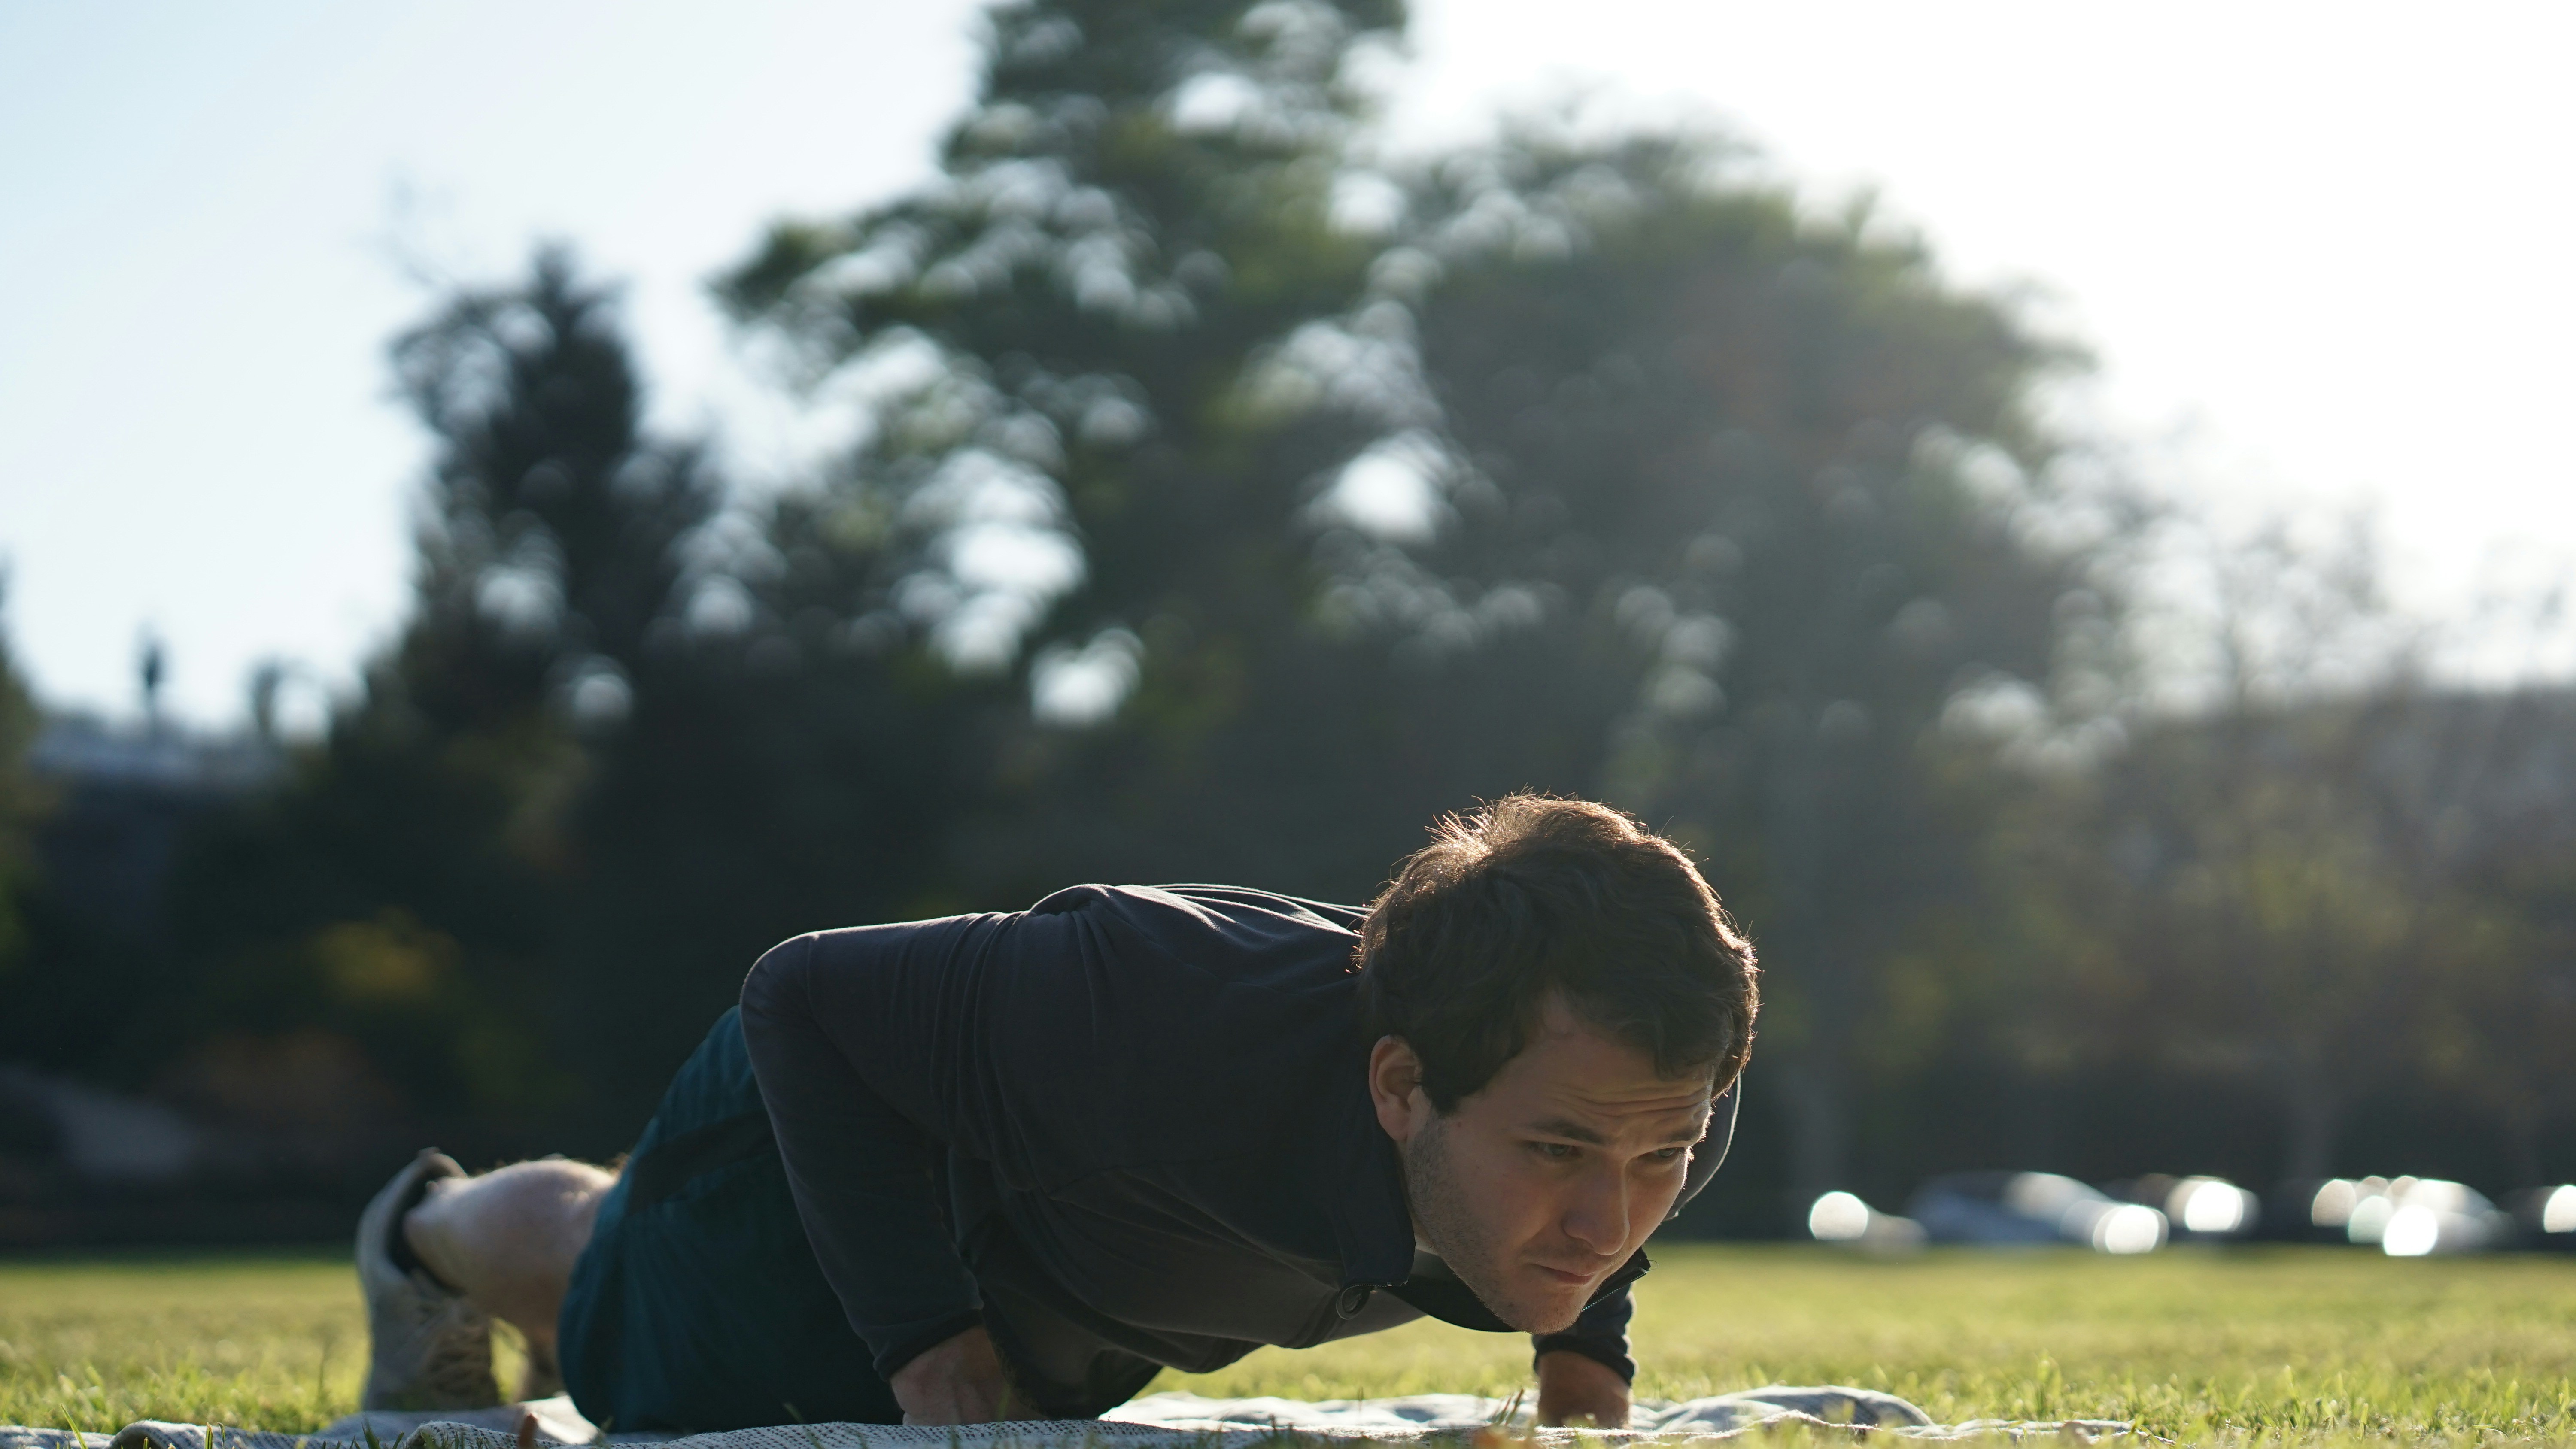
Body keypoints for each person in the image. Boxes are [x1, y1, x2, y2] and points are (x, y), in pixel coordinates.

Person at [356, 794, 1759, 1431]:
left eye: (1663, 1154)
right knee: (614, 1302)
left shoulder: (1645, 1078)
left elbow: (1610, 1173)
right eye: (1560, 1153)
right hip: (836, 1162)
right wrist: (923, 1338)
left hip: (1075, 1282)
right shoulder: (1155, 1004)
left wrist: (1585, 1365)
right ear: (1400, 1085)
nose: (1610, 1212)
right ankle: (422, 1237)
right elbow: (805, 999)